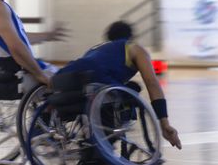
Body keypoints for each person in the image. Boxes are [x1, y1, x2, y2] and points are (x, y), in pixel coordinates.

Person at [56, 21, 182, 163]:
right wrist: (164, 123)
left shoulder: (95, 49)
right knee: (132, 90)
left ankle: (89, 149)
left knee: (95, 141)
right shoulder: (133, 48)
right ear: (130, 37)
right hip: (99, 86)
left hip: (69, 79)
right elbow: (152, 83)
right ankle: (101, 151)